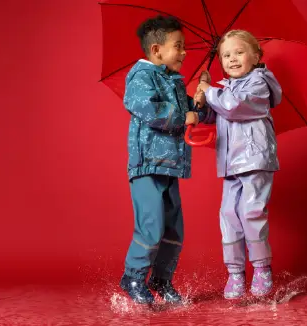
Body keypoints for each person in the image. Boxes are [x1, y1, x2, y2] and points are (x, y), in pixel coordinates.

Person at [119, 15, 208, 305]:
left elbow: (192, 112)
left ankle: (161, 279)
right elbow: (149, 109)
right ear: (156, 50)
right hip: (148, 165)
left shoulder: (173, 79)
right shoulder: (141, 75)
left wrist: (201, 101)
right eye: (178, 46)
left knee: (173, 229)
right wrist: (185, 116)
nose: (184, 53)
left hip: (170, 166)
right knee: (152, 224)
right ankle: (133, 276)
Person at [194, 29, 282, 299]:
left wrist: (210, 92)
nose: (232, 59)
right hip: (231, 162)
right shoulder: (226, 88)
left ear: (256, 57)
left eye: (239, 52)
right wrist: (201, 106)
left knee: (251, 212)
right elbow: (219, 113)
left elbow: (234, 107)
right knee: (229, 215)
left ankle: (261, 268)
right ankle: (235, 272)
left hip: (254, 159)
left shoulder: (259, 83)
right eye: (225, 55)